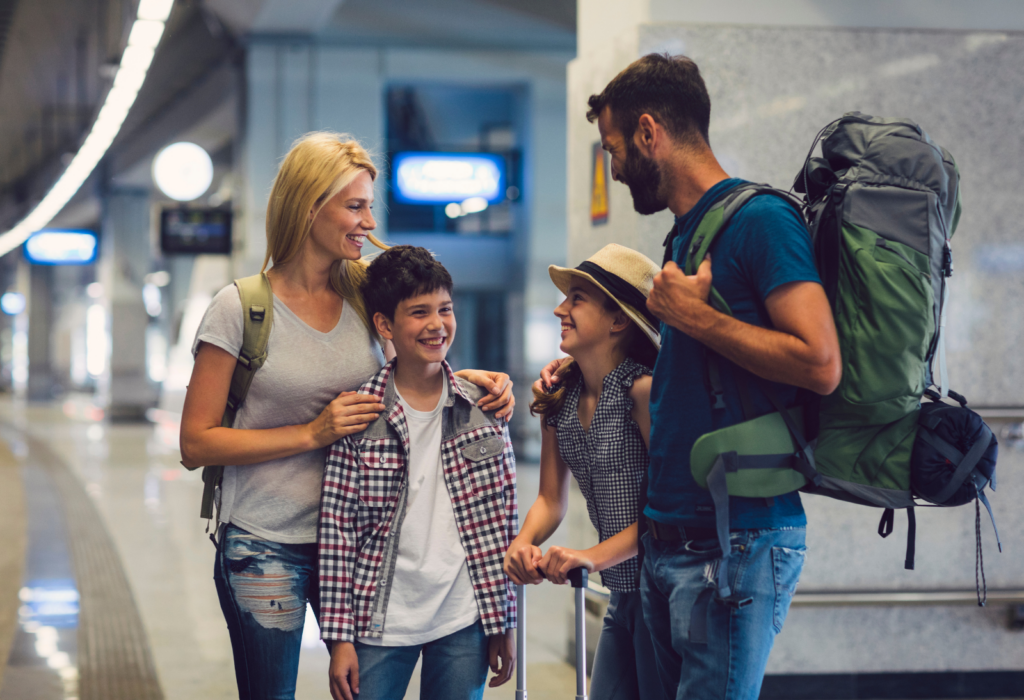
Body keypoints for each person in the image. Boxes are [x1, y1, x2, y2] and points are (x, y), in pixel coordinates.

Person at [541, 54, 842, 699]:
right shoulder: (687, 237)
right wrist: (576, 371)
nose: (614, 168)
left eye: (614, 149)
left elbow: (820, 362)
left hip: (733, 543)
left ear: (650, 133)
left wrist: (697, 320)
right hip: (670, 541)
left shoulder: (760, 222)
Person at [179, 133, 514, 700]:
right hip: (267, 542)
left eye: (368, 207)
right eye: (354, 206)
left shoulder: (364, 294)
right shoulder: (241, 308)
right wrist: (313, 432)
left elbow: (409, 370)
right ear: (309, 207)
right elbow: (196, 443)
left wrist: (471, 379)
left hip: (363, 546)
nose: (367, 221)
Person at [318, 245, 518, 700]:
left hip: (464, 619)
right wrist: (340, 637)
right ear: (385, 325)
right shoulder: (359, 414)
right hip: (379, 620)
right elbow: (336, 532)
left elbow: (502, 521)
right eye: (419, 312)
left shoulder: (483, 407)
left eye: (445, 309)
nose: (436, 324)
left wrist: (503, 618)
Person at [505, 243, 665, 700]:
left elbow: (669, 512)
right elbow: (551, 499)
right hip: (623, 595)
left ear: (618, 321)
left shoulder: (642, 392)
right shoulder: (561, 396)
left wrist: (592, 556)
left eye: (576, 298)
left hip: (665, 593)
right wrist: (523, 543)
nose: (560, 308)